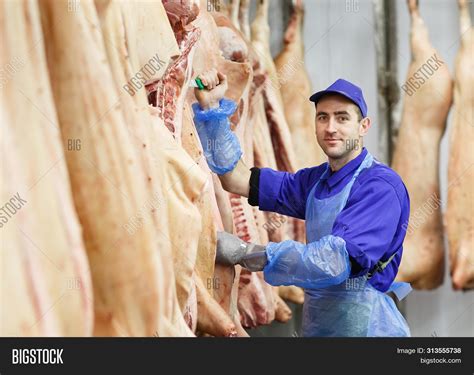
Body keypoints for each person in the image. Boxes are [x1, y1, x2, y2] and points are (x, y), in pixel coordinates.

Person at [192, 68, 412, 337]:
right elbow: (237, 179)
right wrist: (212, 109)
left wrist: (246, 254)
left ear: (363, 125)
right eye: (323, 117)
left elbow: (333, 262)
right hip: (318, 329)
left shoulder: (380, 187)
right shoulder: (315, 181)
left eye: (342, 118)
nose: (331, 128)